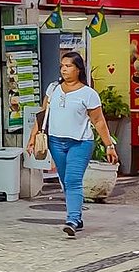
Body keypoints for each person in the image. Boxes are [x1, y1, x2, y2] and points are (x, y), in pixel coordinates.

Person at [30, 50, 114, 238]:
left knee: (72, 180)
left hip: (80, 143)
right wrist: (33, 137)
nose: (64, 69)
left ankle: (72, 220)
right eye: (62, 66)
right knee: (65, 180)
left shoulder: (89, 94)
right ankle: (77, 215)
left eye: (68, 66)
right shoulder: (53, 89)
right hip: (55, 142)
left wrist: (109, 145)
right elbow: (43, 114)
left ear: (78, 69)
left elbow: (99, 121)